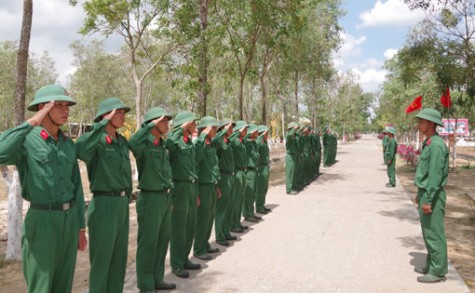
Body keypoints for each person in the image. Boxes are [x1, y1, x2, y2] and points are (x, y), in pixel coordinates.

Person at [0, 84, 87, 293]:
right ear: (43, 107)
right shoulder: (27, 140)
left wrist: (81, 226)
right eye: (59, 106)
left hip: (69, 219)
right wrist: (32, 122)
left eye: (67, 106)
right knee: (41, 285)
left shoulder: (67, 143)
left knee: (63, 284)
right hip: (42, 220)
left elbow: (76, 185)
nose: (66, 111)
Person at [76, 97, 132, 293]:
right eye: (118, 112)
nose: (123, 116)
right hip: (103, 204)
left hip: (122, 203)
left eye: (124, 112)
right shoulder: (94, 141)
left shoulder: (121, 142)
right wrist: (99, 126)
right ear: (105, 116)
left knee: (119, 260)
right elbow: (80, 150)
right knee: (102, 262)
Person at [128, 107, 176, 292]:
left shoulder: (161, 144)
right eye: (163, 121)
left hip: (164, 196)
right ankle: (146, 284)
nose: (166, 124)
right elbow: (131, 142)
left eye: (166, 121)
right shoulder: (144, 143)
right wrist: (148, 126)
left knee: (162, 241)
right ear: (153, 123)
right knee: (148, 243)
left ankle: (157, 279)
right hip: (149, 198)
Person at [413, 108, 449, 283]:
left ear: (431, 124)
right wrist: (419, 194)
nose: (419, 124)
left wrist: (427, 199)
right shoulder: (429, 142)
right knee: (428, 233)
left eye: (422, 121)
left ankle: (438, 271)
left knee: (434, 234)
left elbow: (434, 176)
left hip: (433, 196)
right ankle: (431, 264)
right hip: (426, 193)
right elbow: (425, 173)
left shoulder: (436, 145)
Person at [165, 111, 201, 279]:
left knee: (189, 225)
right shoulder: (175, 142)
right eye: (192, 123)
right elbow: (168, 144)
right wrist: (179, 128)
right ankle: (177, 264)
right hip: (179, 187)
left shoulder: (190, 143)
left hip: (192, 187)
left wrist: (197, 192)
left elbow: (194, 168)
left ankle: (185, 258)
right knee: (178, 228)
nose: (195, 126)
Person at [193, 116, 225, 256]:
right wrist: (203, 135)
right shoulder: (199, 144)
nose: (215, 131)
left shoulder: (211, 144)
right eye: (213, 128)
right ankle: (199, 249)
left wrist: (217, 185)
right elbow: (197, 162)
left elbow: (213, 167)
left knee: (209, 218)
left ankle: (205, 244)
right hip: (203, 186)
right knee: (202, 219)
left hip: (211, 185)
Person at [214, 118, 237, 245]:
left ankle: (226, 232)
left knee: (229, 206)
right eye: (229, 128)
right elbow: (216, 140)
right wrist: (223, 131)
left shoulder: (228, 141)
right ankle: (219, 235)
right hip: (223, 176)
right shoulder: (219, 141)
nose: (231, 130)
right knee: (221, 207)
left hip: (231, 175)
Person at [229, 120, 249, 233]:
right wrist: (236, 131)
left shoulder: (241, 141)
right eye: (244, 129)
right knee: (236, 200)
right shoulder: (235, 141)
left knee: (240, 198)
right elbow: (230, 139)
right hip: (236, 172)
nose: (246, 131)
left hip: (242, 171)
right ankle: (233, 224)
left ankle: (237, 222)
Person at [242, 124, 261, 222]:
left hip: (255, 170)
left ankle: (251, 212)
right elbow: (243, 139)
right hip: (249, 170)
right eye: (256, 131)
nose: (259, 133)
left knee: (253, 193)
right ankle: (247, 214)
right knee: (249, 194)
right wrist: (248, 133)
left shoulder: (253, 143)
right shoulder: (247, 143)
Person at [255, 125, 271, 214]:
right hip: (260, 167)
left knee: (264, 188)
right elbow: (256, 145)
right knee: (260, 188)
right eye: (266, 133)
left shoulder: (264, 142)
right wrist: (260, 136)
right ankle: (259, 207)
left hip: (266, 166)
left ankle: (262, 205)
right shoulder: (259, 142)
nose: (267, 134)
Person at [285, 122, 299, 195]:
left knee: (294, 173)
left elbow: (298, 136)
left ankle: (293, 187)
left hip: (294, 155)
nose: (296, 130)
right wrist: (294, 128)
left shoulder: (295, 136)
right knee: (289, 174)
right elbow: (290, 134)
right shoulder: (289, 136)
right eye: (294, 129)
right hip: (290, 156)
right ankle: (289, 189)